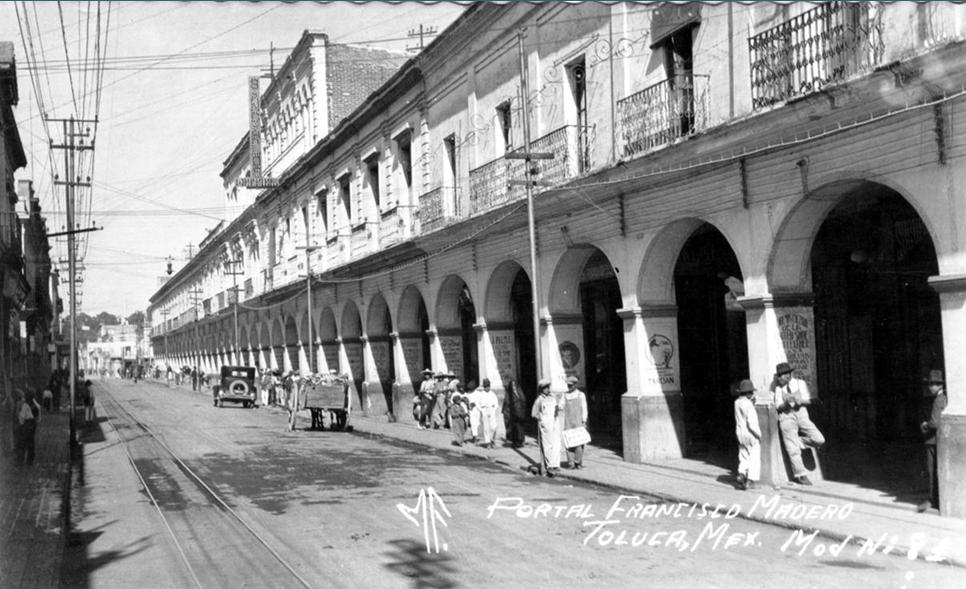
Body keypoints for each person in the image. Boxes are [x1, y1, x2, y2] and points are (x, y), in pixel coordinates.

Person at [771, 362, 825, 485]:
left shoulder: (800, 383)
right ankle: (800, 475)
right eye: (778, 376)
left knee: (819, 439)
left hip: (801, 413)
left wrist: (800, 401)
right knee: (792, 448)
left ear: (789, 375)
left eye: (782, 375)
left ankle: (799, 442)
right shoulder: (778, 389)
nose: (779, 378)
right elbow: (778, 406)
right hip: (786, 416)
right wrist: (786, 403)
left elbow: (808, 400)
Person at [918, 369, 947, 513]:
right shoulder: (944, 399)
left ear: (939, 385)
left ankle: (932, 498)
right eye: (930, 384)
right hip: (939, 441)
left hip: (932, 440)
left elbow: (934, 423)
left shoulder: (937, 400)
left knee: (932, 469)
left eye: (932, 384)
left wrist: (925, 425)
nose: (930, 387)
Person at [733, 379, 762, 490]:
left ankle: (741, 474)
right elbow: (752, 423)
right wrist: (759, 435)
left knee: (744, 455)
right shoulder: (749, 405)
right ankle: (751, 481)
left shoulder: (737, 402)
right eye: (751, 392)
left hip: (740, 433)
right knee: (754, 456)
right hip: (750, 434)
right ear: (749, 393)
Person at [531, 379, 562, 477]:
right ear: (541, 389)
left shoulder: (553, 397)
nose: (547, 389)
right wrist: (540, 419)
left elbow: (558, 407)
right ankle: (550, 466)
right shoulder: (539, 400)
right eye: (545, 387)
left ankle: (556, 464)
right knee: (547, 445)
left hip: (554, 422)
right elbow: (533, 413)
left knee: (556, 443)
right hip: (545, 424)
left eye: (548, 387)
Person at [562, 376, 589, 469]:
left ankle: (578, 462)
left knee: (579, 443)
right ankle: (571, 463)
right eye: (567, 385)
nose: (568, 387)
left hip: (578, 422)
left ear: (575, 385)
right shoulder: (564, 395)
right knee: (569, 442)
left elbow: (584, 408)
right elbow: (561, 406)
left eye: (570, 386)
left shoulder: (580, 395)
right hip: (568, 422)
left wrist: (584, 420)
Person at [15, 390, 41, 465]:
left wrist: (20, 424)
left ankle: (20, 460)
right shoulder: (36, 405)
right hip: (33, 424)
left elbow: (22, 417)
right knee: (31, 442)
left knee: (22, 442)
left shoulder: (25, 405)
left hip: (26, 424)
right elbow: (38, 418)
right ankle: (30, 460)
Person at [501, 373, 527, 448]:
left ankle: (521, 441)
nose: (514, 388)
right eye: (512, 386)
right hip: (513, 417)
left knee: (520, 429)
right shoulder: (509, 395)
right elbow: (506, 405)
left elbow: (523, 402)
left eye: (515, 386)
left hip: (520, 416)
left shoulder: (520, 393)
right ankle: (515, 442)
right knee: (514, 430)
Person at [474, 379, 500, 448]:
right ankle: (488, 442)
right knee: (486, 428)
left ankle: (492, 440)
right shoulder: (481, 394)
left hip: (491, 410)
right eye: (485, 386)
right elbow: (477, 404)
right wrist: (482, 410)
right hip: (484, 410)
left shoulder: (492, 394)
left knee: (493, 426)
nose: (487, 388)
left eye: (488, 386)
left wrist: (493, 410)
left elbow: (496, 404)